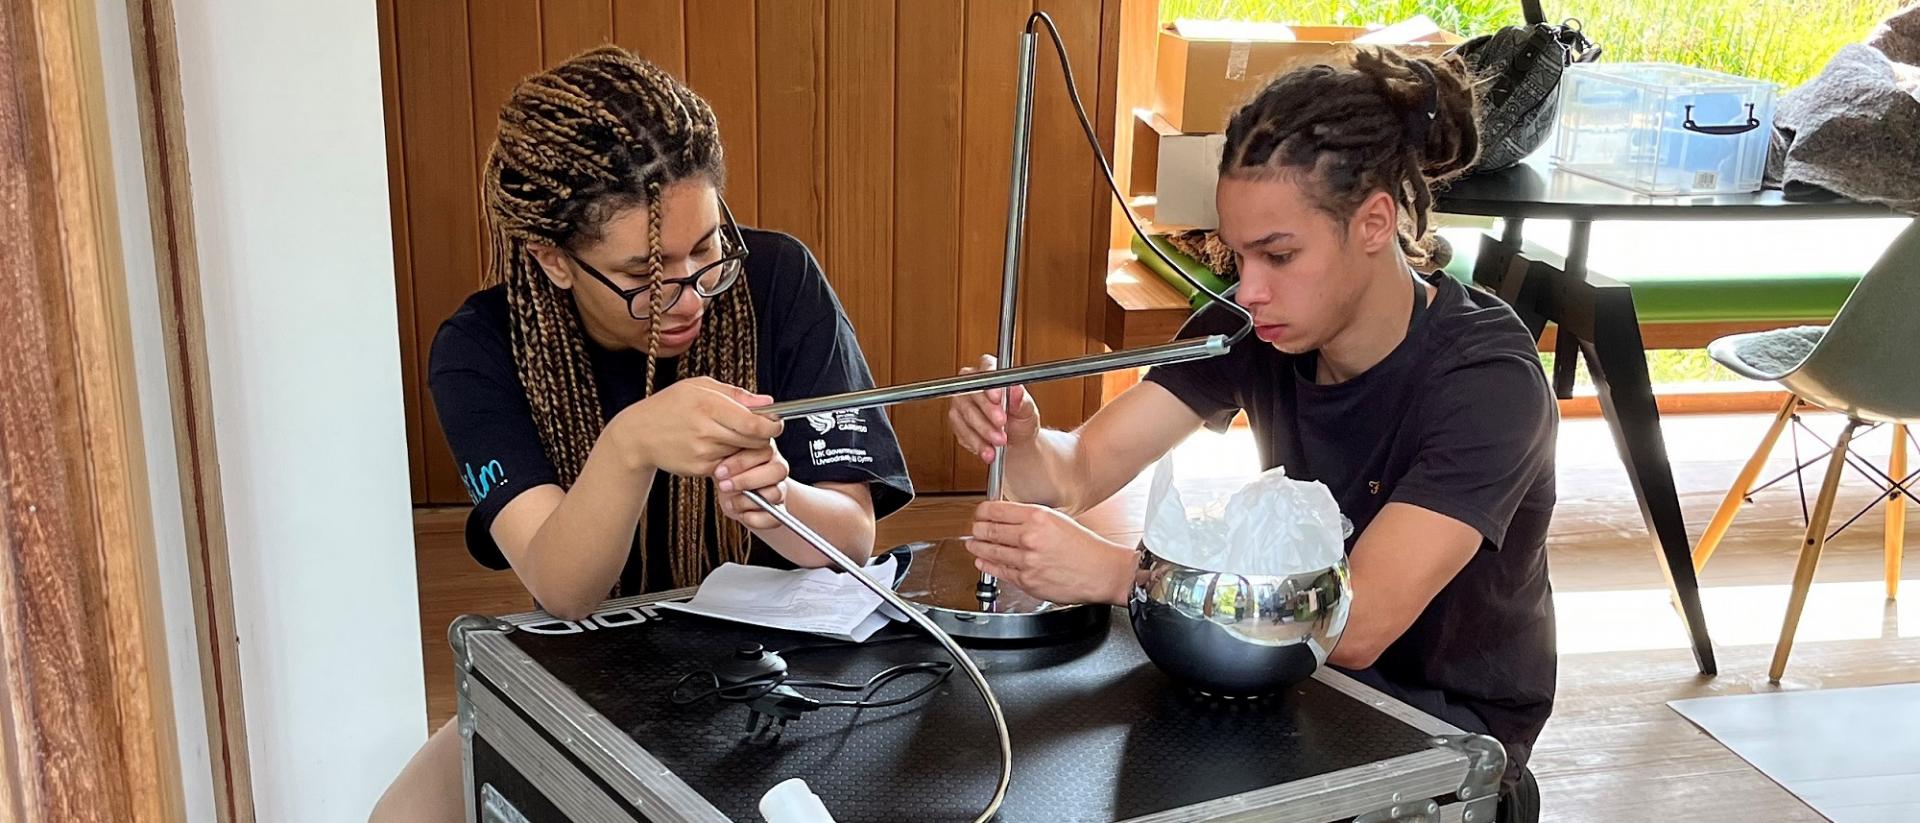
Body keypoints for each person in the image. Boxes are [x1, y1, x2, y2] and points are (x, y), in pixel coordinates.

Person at [947, 50, 1554, 822]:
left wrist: (1119, 574)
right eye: (1237, 254)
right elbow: (1078, 470)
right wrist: (1022, 439)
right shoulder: (1255, 325)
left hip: (1442, 736)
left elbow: (1357, 622)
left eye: (1279, 253)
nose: (1250, 287)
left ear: (1373, 222)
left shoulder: (1486, 378)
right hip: (1286, 682)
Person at [371, 46, 911, 822]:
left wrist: (779, 501)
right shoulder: (484, 350)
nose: (688, 294)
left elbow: (852, 536)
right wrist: (628, 444)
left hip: (793, 668)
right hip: (592, 666)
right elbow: (564, 587)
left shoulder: (780, 281)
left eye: (706, 250)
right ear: (555, 260)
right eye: (644, 277)